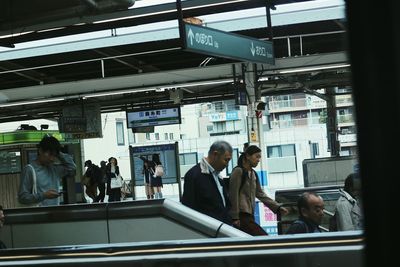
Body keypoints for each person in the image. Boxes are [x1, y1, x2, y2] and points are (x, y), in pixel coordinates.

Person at [229, 145, 289, 236]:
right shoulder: (238, 171)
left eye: (259, 157)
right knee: (263, 238)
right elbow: (233, 194)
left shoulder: (254, 174)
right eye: (257, 156)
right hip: (241, 216)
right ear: (248, 156)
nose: (258, 160)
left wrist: (277, 207)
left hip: (250, 215)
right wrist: (235, 218)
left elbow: (260, 194)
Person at [182, 140, 233, 224]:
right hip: (207, 230)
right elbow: (188, 207)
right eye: (226, 160)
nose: (227, 164)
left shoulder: (218, 176)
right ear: (215, 155)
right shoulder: (194, 175)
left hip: (223, 227)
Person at [18, 135, 76, 207]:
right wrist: (44, 195)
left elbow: (72, 168)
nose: (52, 158)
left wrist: (58, 152)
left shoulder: (54, 169)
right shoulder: (29, 169)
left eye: (54, 155)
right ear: (40, 150)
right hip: (38, 216)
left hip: (54, 214)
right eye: (50, 154)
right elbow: (22, 198)